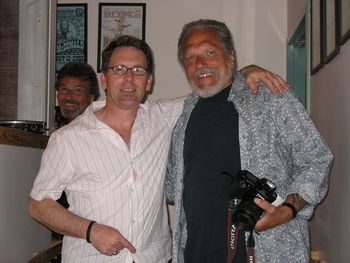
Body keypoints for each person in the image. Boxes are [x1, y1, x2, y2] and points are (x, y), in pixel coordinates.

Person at [28, 35, 288, 262]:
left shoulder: (164, 117)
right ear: (103, 79)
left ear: (149, 81)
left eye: (138, 70)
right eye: (119, 69)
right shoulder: (67, 139)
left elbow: (213, 88)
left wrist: (244, 72)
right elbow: (39, 205)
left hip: (154, 257)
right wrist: (90, 230)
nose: (129, 79)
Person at [165, 19, 333, 263]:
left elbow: (316, 158)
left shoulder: (270, 98)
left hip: (267, 253)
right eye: (190, 58)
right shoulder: (184, 116)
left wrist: (288, 210)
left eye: (210, 52)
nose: (200, 63)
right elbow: (173, 188)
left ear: (231, 57)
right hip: (196, 253)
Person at [54, 61, 100, 129]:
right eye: (64, 89)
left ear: (91, 98)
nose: (68, 96)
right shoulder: (51, 122)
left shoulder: (99, 129)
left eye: (77, 90)